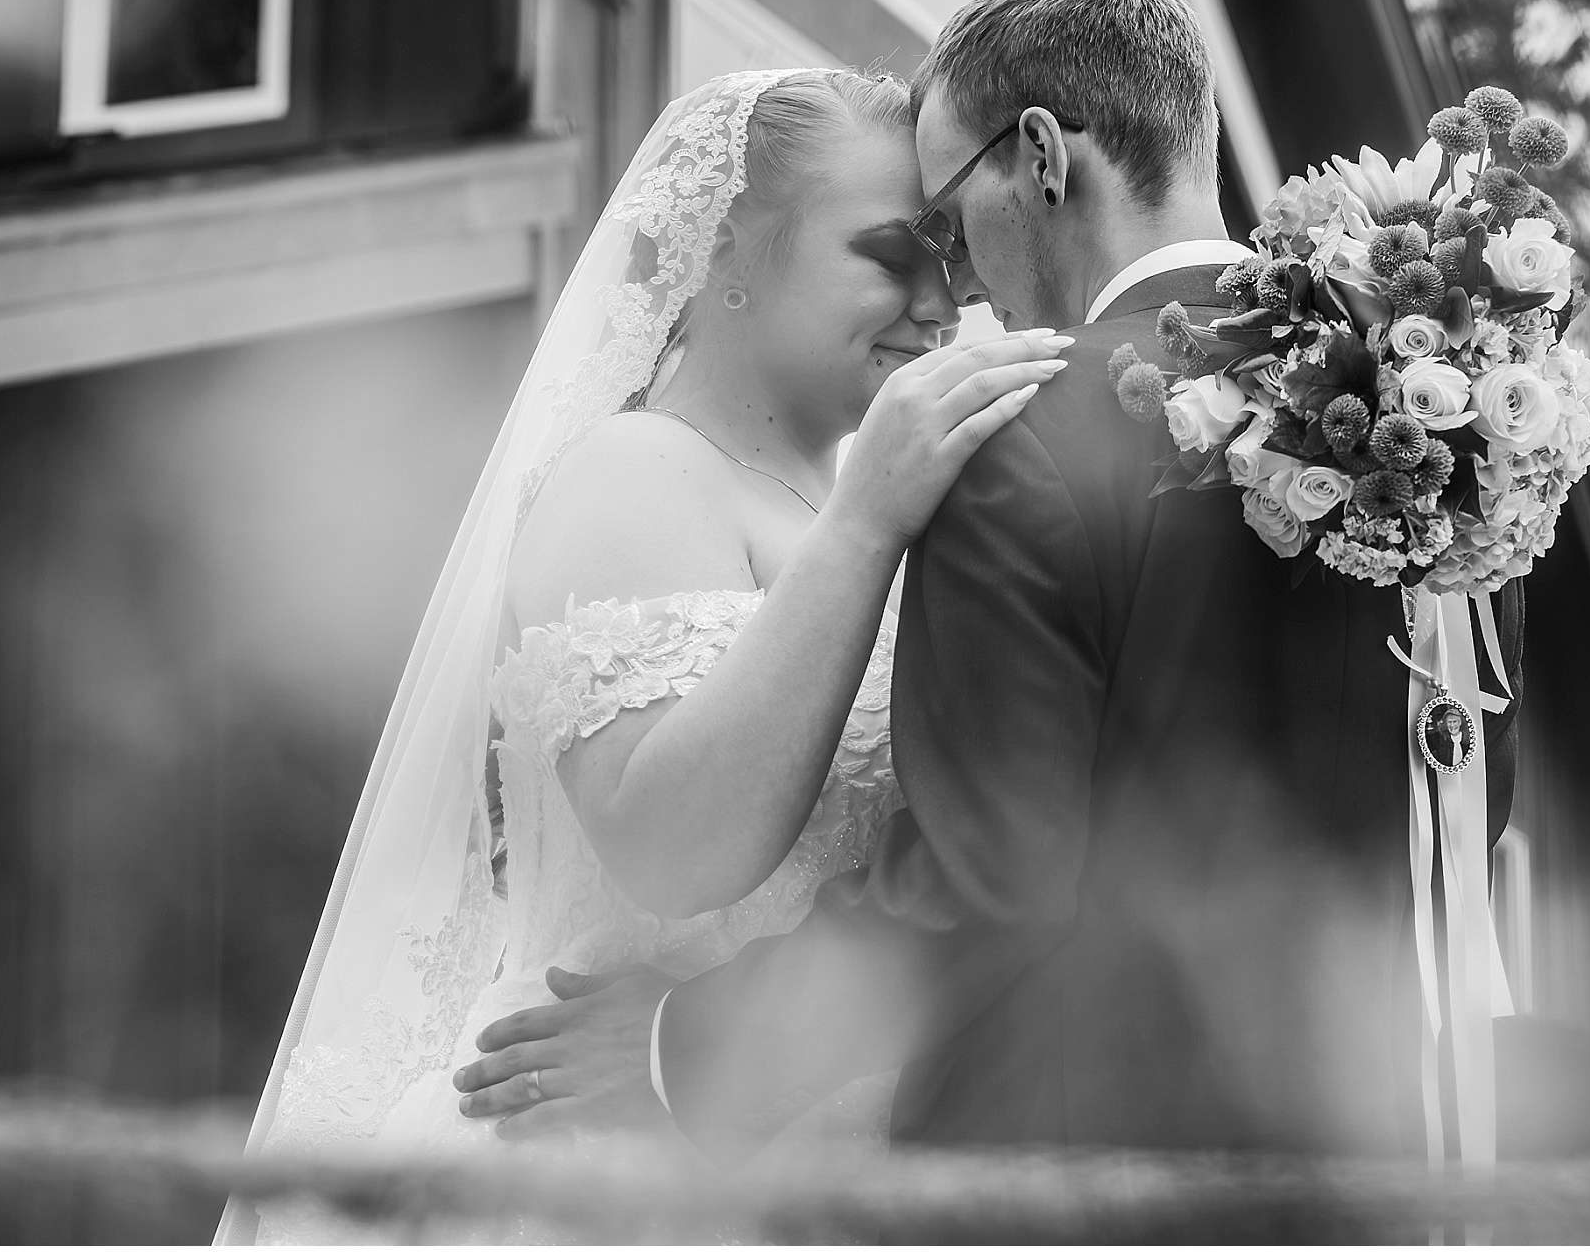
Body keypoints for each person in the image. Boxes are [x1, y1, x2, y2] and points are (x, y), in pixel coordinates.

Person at [456, 0, 1527, 1162]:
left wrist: (679, 1048)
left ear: (1041, 157)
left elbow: (987, 881)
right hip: (1368, 1150)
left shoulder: (1021, 443)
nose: (954, 288)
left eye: (947, 219)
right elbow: (1467, 805)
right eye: (899, 248)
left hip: (1063, 1157)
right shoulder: (1445, 426)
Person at [216, 67, 1070, 1243]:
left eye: (944, 253)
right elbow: (677, 845)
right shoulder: (634, 473)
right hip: (587, 1154)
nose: (942, 305)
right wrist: (868, 525)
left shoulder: (847, 496)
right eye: (889, 254)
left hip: (765, 1135)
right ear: (725, 254)